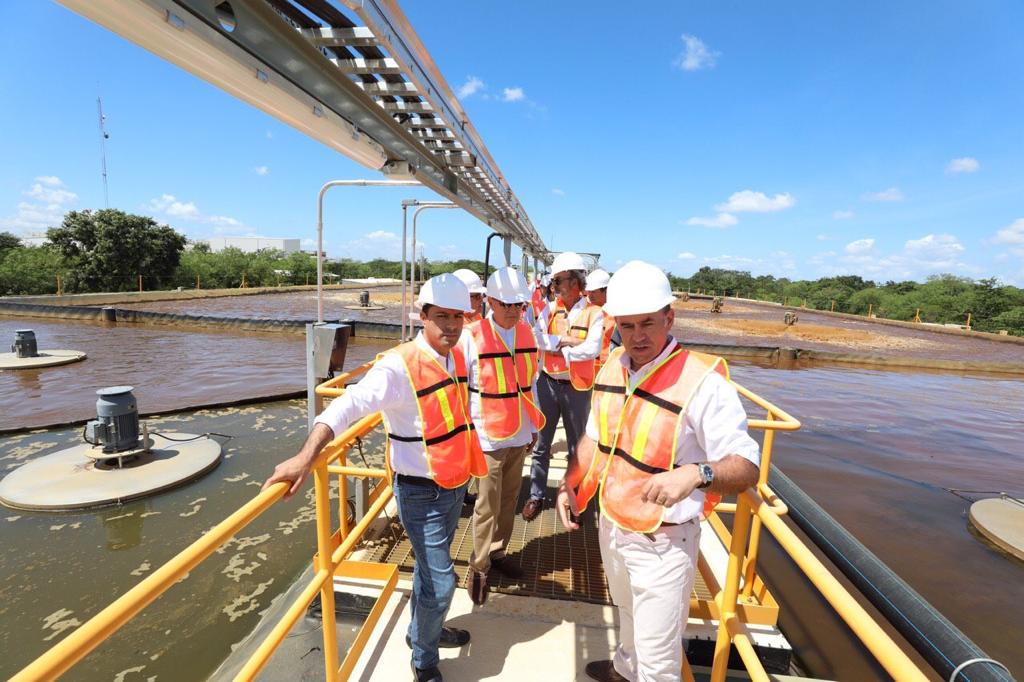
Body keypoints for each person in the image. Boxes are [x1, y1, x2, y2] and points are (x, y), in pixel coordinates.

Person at [262, 273, 487, 682]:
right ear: (423, 316)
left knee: (427, 571)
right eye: (442, 317)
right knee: (440, 581)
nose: (452, 325)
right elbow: (346, 406)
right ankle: (424, 658)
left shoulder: (455, 355)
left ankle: (425, 633)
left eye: (458, 316)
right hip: (420, 491)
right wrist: (304, 456)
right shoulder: (398, 366)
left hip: (454, 484)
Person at [556, 261, 760, 682]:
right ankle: (623, 669)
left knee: (659, 661)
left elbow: (746, 466)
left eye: (648, 323)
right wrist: (567, 483)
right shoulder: (613, 365)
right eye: (627, 326)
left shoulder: (703, 382)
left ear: (670, 317)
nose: (638, 336)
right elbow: (593, 439)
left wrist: (694, 474)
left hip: (663, 542)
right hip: (613, 525)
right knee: (627, 614)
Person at [460, 267, 544, 605]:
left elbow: (531, 382)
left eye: (518, 305)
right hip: (488, 436)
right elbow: (464, 389)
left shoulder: (527, 334)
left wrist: (534, 427)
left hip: (519, 433)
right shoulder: (471, 336)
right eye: (506, 304)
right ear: (491, 301)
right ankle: (478, 567)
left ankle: (498, 553)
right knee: (486, 506)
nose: (512, 310)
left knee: (508, 501)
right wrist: (468, 432)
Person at [522, 252, 604, 521]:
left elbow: (593, 349)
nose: (555, 286)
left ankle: (573, 497)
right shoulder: (550, 308)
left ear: (575, 281)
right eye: (554, 281)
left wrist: (561, 346)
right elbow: (537, 337)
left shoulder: (594, 313)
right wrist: (565, 341)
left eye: (559, 280)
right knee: (542, 444)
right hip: (548, 384)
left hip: (577, 389)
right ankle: (536, 495)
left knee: (575, 447)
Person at [585, 268, 617, 372]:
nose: (590, 295)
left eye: (593, 292)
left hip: (608, 369)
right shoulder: (586, 311)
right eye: (589, 292)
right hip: (588, 369)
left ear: (606, 290)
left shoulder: (617, 313)